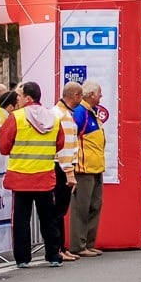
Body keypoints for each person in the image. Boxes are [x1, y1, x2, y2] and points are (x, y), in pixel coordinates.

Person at [0, 81, 64, 268]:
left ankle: (23, 258)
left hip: (21, 176)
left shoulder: (16, 117)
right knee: (48, 219)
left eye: (19, 96)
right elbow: (59, 144)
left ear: (27, 97)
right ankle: (53, 255)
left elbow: (3, 147)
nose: (16, 99)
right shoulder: (54, 117)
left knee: (21, 220)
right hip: (44, 175)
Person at [70, 80, 106, 258]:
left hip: (96, 167)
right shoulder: (80, 112)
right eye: (99, 93)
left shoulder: (91, 113)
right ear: (92, 95)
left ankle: (89, 243)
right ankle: (78, 245)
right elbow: (71, 136)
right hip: (83, 169)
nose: (101, 96)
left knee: (95, 205)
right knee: (81, 208)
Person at [53, 81, 82, 262]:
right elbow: (63, 146)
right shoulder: (61, 115)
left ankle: (62, 247)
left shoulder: (65, 114)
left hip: (64, 166)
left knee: (61, 210)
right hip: (62, 167)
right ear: (75, 96)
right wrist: (69, 172)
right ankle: (58, 247)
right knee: (58, 210)